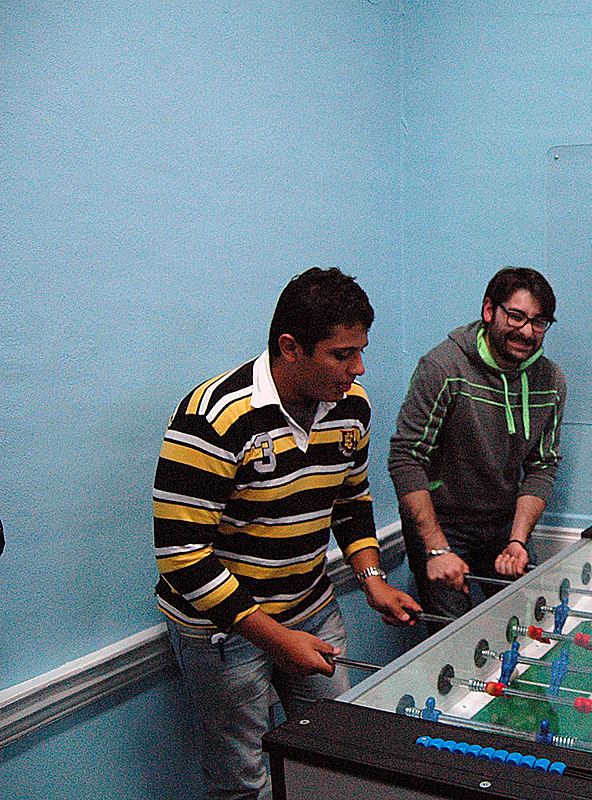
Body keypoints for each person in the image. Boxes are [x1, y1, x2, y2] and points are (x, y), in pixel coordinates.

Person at [153, 267, 422, 800]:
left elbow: (350, 500)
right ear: (291, 348)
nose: (358, 369)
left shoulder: (352, 406)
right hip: (225, 632)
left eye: (360, 351)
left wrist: (373, 579)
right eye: (342, 354)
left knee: (334, 756)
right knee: (243, 781)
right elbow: (182, 555)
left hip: (310, 610)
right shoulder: (215, 416)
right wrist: (276, 639)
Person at [389, 267, 566, 627]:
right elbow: (406, 458)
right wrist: (436, 547)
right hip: (442, 524)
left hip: (504, 523)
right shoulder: (443, 367)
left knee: (524, 625)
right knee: (453, 636)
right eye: (516, 316)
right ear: (489, 311)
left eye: (539, 322)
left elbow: (542, 466)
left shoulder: (551, 380)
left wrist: (518, 541)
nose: (527, 331)